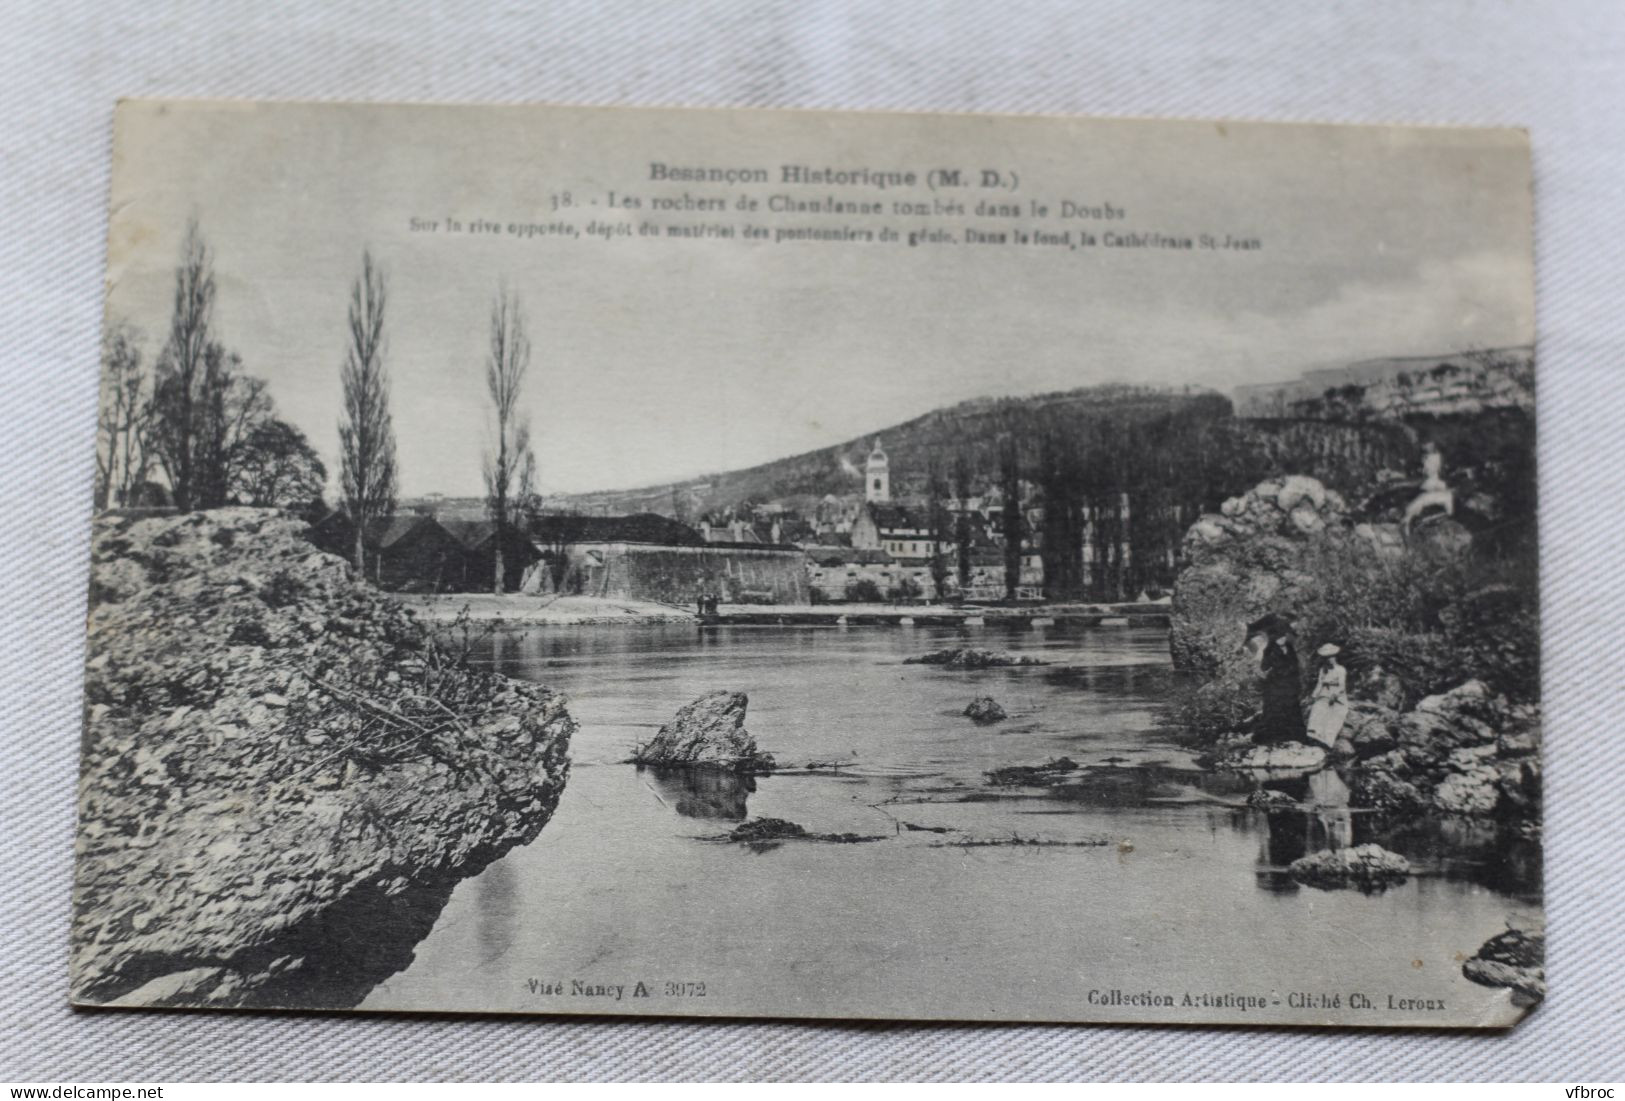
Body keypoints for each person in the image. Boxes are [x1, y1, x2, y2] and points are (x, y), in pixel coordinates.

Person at [1257, 626, 1306, 744]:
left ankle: (1293, 735)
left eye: (1283, 636)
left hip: (1290, 684)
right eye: (1278, 637)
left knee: (1291, 708)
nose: (1282, 639)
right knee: (1276, 709)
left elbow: (1296, 666)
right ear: (1274, 639)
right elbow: (1264, 667)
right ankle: (1276, 735)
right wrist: (1275, 670)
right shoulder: (1269, 650)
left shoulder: (1290, 649)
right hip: (1276, 685)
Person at [1306, 643, 1349, 748]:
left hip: (1338, 696)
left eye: (1331, 657)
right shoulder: (1323, 670)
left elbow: (1342, 686)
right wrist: (1313, 695)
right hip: (1324, 694)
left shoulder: (1340, 669)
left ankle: (1327, 740)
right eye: (1327, 658)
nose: (1330, 659)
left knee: (1334, 714)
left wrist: (1334, 696)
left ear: (1335, 657)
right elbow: (1319, 684)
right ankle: (1315, 734)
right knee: (1317, 708)